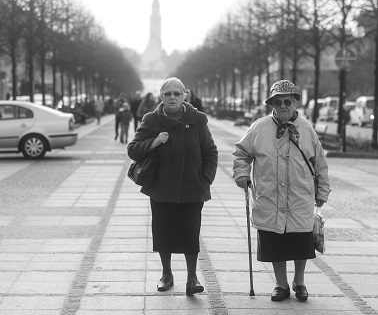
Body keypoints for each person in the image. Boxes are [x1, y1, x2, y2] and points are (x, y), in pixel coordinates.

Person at [232, 80, 330, 302]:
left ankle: (300, 281)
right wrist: (242, 174)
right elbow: (241, 153)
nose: (283, 106)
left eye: (287, 101)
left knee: (300, 243)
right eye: (277, 102)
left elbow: (320, 162)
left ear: (295, 102)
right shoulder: (259, 128)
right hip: (270, 196)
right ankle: (281, 284)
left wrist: (322, 190)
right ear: (272, 105)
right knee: (275, 242)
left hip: (299, 196)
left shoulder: (307, 129)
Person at [127, 77, 218, 296]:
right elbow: (133, 149)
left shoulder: (198, 119)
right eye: (168, 94)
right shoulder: (152, 119)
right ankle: (166, 274)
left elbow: (210, 151)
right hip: (161, 188)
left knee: (190, 233)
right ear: (161, 96)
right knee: (163, 232)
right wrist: (153, 142)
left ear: (185, 95)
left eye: (177, 93)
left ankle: (192, 278)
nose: (173, 98)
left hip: (192, 188)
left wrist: (205, 178)